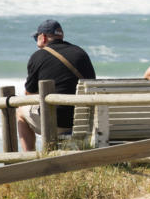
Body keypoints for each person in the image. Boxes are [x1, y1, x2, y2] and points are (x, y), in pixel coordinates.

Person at [17, 19, 96, 151]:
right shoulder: (81, 53)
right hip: (83, 121)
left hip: (57, 123)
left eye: (36, 38)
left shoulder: (38, 56)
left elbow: (29, 94)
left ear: (43, 37)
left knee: (20, 111)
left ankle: (29, 158)